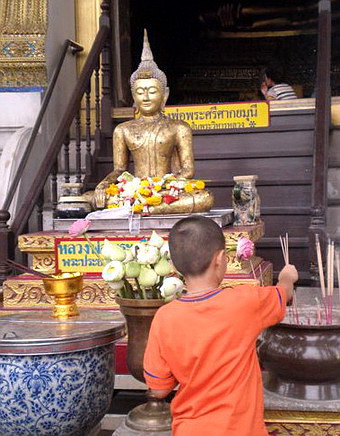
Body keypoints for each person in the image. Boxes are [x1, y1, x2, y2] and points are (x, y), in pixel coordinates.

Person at [143, 216, 298, 436]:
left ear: (174, 266)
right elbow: (283, 294)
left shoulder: (164, 317)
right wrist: (287, 278)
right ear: (220, 258)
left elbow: (159, 389)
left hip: (190, 429)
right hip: (240, 429)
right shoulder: (244, 302)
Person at [92, 30, 213, 214]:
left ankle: (139, 209)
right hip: (135, 190)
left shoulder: (178, 127)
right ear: (133, 96)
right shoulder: (123, 130)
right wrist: (103, 185)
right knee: (89, 198)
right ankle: (145, 207)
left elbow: (188, 169)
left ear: (165, 95)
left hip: (167, 190)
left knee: (204, 198)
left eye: (152, 91)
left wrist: (165, 185)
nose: (146, 97)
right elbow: (119, 169)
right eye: (140, 92)